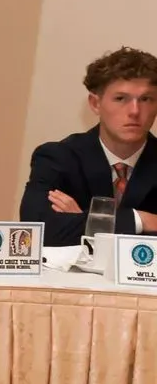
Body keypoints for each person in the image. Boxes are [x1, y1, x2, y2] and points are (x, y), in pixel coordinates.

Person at [20, 47, 157, 245]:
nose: (134, 111)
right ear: (95, 104)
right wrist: (140, 220)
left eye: (146, 99)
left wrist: (83, 221)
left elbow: (63, 232)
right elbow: (35, 231)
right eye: (121, 99)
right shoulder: (58, 157)